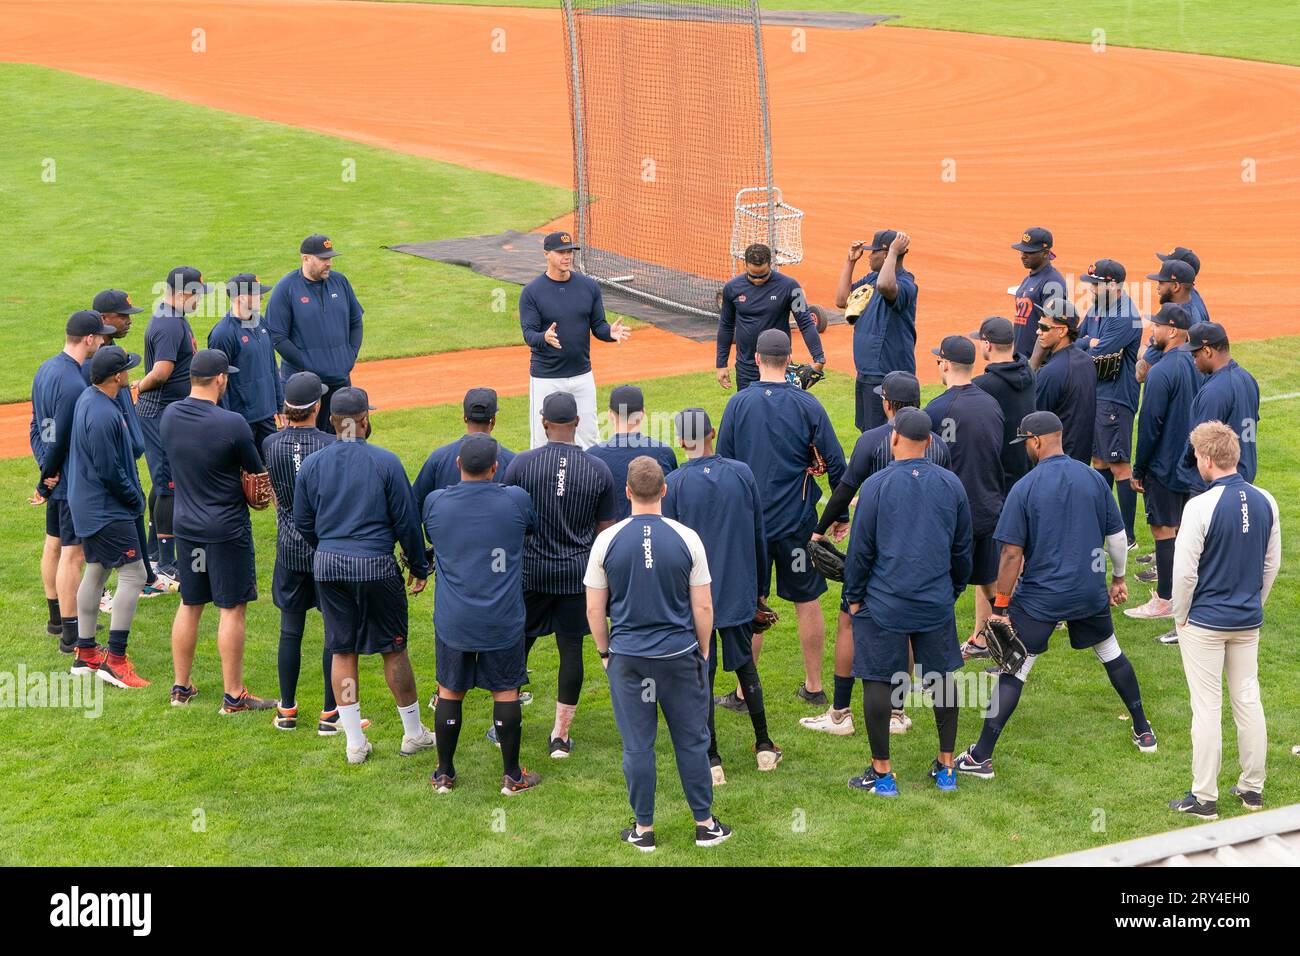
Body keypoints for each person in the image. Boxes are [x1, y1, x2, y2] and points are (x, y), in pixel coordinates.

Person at [954, 412, 1156, 779]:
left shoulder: (1025, 488)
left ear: (1035, 441)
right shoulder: (1094, 479)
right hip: (1088, 591)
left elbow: (1011, 554)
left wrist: (999, 608)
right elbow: (1116, 537)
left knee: (1015, 669)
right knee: (1111, 653)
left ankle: (981, 756)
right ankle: (1143, 729)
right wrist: (1119, 580)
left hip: (1040, 598)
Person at [585, 456, 731, 851]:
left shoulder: (606, 540)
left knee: (637, 745)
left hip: (628, 658)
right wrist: (701, 650)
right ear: (664, 490)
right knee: (691, 741)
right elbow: (703, 608)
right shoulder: (687, 538)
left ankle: (644, 830)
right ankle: (704, 824)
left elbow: (595, 609)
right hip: (679, 654)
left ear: (628, 492)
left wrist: (604, 651)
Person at [293, 387, 437, 764]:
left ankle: (354, 743)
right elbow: (406, 522)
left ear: (331, 421)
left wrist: (328, 548)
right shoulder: (386, 462)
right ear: (364, 421)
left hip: (328, 564)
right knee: (393, 648)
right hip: (375, 564)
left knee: (342, 649)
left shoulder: (312, 465)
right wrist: (419, 567)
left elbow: (304, 523)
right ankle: (412, 734)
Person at [803, 370, 949, 736]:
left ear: (887, 404)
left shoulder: (871, 441)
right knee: (909, 629)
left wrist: (820, 530)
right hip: (920, 553)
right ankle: (897, 713)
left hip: (873, 549)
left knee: (849, 622)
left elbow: (843, 490)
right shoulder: (940, 447)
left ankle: (839, 714)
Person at [843, 408, 972, 797]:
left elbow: (860, 551)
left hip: (884, 602)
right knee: (943, 678)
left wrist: (853, 597)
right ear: (930, 442)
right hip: (935, 600)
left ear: (893, 439)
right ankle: (947, 767)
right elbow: (963, 548)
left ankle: (883, 774)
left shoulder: (877, 485)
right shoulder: (951, 484)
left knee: (879, 678)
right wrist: (954, 589)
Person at [718, 329, 846, 706]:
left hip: (751, 526)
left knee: (752, 602)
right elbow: (837, 463)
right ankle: (815, 687)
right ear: (789, 360)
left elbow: (724, 463)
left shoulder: (738, 405)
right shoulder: (808, 405)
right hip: (798, 523)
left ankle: (745, 693)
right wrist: (838, 518)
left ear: (756, 360)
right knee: (807, 600)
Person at [1168, 422, 1280, 820]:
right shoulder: (1266, 499)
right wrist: (1254, 604)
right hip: (1247, 621)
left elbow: (1184, 574)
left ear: (1209, 460)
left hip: (1205, 624)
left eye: (1198, 457)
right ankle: (1252, 790)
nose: (1196, 463)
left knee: (1207, 707)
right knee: (1248, 700)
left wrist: (1180, 615)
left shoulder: (1199, 506)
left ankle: (1204, 798)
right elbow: (1271, 564)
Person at [662, 408, 779, 783]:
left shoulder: (674, 483)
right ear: (713, 433)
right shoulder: (742, 473)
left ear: (681, 441)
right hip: (739, 588)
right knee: (745, 666)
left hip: (696, 596)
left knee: (703, 675)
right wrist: (761, 588)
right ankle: (764, 746)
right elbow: (759, 533)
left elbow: (672, 549)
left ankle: (712, 760)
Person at [423, 433, 541, 795]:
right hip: (501, 617)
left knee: (449, 690)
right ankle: (512, 777)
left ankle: (444, 774)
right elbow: (530, 529)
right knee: (505, 691)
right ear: (495, 468)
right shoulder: (516, 500)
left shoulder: (435, 503)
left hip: (454, 617)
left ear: (458, 466)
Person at [502, 390, 618, 757]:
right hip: (576, 577)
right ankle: (561, 736)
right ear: (578, 423)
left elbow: (510, 522)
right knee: (571, 652)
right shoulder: (598, 469)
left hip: (531, 575)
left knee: (518, 644)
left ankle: (503, 721)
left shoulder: (520, 465)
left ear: (543, 423)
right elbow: (605, 533)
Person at [161, 349, 276, 714]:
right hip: (225, 531)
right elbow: (257, 477)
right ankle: (233, 695)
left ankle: (180, 687)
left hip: (188, 529)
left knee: (190, 603)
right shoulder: (232, 423)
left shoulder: (169, 415)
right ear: (221, 379)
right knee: (231, 608)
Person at [263, 371, 362, 735]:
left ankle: (287, 710)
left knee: (291, 631)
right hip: (325, 547)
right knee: (333, 633)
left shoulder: (270, 444)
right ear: (317, 407)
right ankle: (329, 713)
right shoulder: (328, 444)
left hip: (289, 548)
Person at [67, 346, 152, 689]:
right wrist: (133, 498)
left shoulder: (90, 399)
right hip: (106, 508)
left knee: (98, 569)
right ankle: (115, 661)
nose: (130, 372)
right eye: (127, 369)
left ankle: (85, 652)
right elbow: (109, 470)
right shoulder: (103, 412)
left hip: (88, 505)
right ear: (117, 376)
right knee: (135, 573)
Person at [31, 309, 115, 653]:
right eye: (100, 336)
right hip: (68, 481)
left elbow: (40, 427)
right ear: (89, 339)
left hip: (56, 475)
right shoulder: (71, 382)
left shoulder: (47, 369)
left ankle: (55, 619)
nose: (103, 340)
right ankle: (70, 634)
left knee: (53, 545)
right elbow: (61, 437)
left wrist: (44, 467)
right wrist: (48, 476)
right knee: (73, 554)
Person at [1125, 304, 1203, 637]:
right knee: (1188, 533)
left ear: (1172, 330)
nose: (1151, 331)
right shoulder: (1199, 365)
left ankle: (1167, 599)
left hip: (1164, 465)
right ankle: (1191, 596)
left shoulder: (1162, 371)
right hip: (1193, 464)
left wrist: (1139, 469)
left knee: (1163, 531)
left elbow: (1150, 426)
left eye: (1155, 326)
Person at [924, 335, 1004, 656]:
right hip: (990, 508)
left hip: (954, 516)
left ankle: (937, 651)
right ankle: (995, 639)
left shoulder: (937, 409)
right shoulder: (991, 404)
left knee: (940, 586)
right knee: (988, 582)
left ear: (944, 363)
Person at [519, 231, 631, 449]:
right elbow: (529, 334)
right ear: (546, 254)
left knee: (589, 438)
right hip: (546, 378)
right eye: (561, 252)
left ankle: (589, 482)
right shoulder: (532, 292)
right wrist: (544, 337)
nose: (567, 256)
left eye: (569, 251)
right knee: (542, 442)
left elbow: (598, 326)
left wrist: (609, 332)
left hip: (582, 375)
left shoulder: (588, 286)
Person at [89, 289, 165, 606]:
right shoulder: (93, 359)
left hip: (126, 448)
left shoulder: (113, 349)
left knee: (133, 509)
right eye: (123, 316)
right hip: (107, 454)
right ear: (104, 319)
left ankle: (146, 575)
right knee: (109, 520)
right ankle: (99, 591)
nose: (129, 321)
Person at [136, 265, 208, 584]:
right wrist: (139, 386)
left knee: (162, 482)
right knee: (168, 486)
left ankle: (153, 550)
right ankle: (166, 561)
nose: (198, 300)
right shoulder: (168, 323)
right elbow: (162, 371)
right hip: (160, 413)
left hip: (165, 412)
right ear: (181, 293)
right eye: (196, 294)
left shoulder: (174, 317)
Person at [264, 235, 364, 434]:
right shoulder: (287, 288)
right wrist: (308, 362)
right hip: (305, 384)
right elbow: (277, 336)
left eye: (330, 258)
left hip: (340, 381)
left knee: (346, 437)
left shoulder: (340, 282)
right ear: (306, 258)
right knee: (307, 441)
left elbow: (356, 322)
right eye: (323, 259)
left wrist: (350, 355)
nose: (329, 263)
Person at [1079, 259, 1144, 549]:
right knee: (1099, 461)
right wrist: (1088, 342)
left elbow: (1097, 353)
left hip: (1116, 398)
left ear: (1115, 286)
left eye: (1098, 283)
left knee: (1119, 465)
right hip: (1098, 393)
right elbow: (1079, 340)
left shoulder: (1125, 316)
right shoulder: (1098, 306)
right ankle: (1100, 526)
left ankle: (1128, 536)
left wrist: (1090, 344)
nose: (1092, 288)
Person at [834, 230, 917, 432]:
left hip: (888, 375)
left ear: (887, 253)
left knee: (888, 434)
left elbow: (885, 286)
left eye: (874, 252)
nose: (868, 256)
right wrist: (849, 261)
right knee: (868, 433)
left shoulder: (905, 284)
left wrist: (893, 253)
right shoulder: (871, 279)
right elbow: (842, 300)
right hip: (866, 371)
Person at [715, 243, 825, 392]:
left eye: (763, 275)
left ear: (771, 265)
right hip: (746, 367)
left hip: (779, 366)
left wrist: (819, 358)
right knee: (749, 412)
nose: (758, 280)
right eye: (753, 276)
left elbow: (805, 322)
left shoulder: (791, 287)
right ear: (746, 265)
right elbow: (726, 326)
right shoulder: (731, 288)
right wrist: (721, 364)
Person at [1178, 322, 1260, 489]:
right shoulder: (1248, 379)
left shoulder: (1214, 391)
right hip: (1245, 478)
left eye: (1195, 355)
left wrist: (1183, 466)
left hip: (1216, 484)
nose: (1194, 361)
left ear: (1207, 351)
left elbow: (1200, 442)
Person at [207, 274, 283, 449]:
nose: (262, 297)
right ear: (240, 298)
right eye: (257, 294)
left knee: (272, 470)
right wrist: (226, 421)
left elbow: (271, 365)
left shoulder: (261, 323)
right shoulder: (223, 334)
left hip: (267, 414)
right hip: (242, 421)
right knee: (245, 474)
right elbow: (218, 381)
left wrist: (280, 406)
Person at [586, 384, 678, 522]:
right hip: (657, 536)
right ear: (642, 414)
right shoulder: (664, 453)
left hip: (611, 540)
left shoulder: (592, 456)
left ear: (610, 414)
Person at [411, 387, 515, 509]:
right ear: (493, 421)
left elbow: (414, 507)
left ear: (465, 418)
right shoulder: (512, 462)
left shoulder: (438, 458)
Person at [971, 316, 1036, 491]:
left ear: (987, 345)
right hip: (1028, 469)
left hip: (999, 478)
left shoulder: (982, 385)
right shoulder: (1029, 374)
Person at [1032, 296, 1095, 464]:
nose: (1038, 332)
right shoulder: (1087, 361)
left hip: (1056, 463)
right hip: (1080, 460)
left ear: (1062, 331)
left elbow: (1036, 425)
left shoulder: (1051, 372)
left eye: (1044, 327)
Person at [1137, 248, 1210, 384]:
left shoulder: (1175, 318)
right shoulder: (1195, 300)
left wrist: (1142, 351)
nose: (1163, 268)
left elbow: (1144, 373)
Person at [1009, 227, 1067, 370]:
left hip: (1039, 365)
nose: (1023, 255)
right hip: (1021, 361)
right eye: (1022, 251)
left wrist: (1033, 364)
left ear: (1045, 253)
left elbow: (1051, 326)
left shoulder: (1053, 283)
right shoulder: (1028, 279)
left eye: (1029, 252)